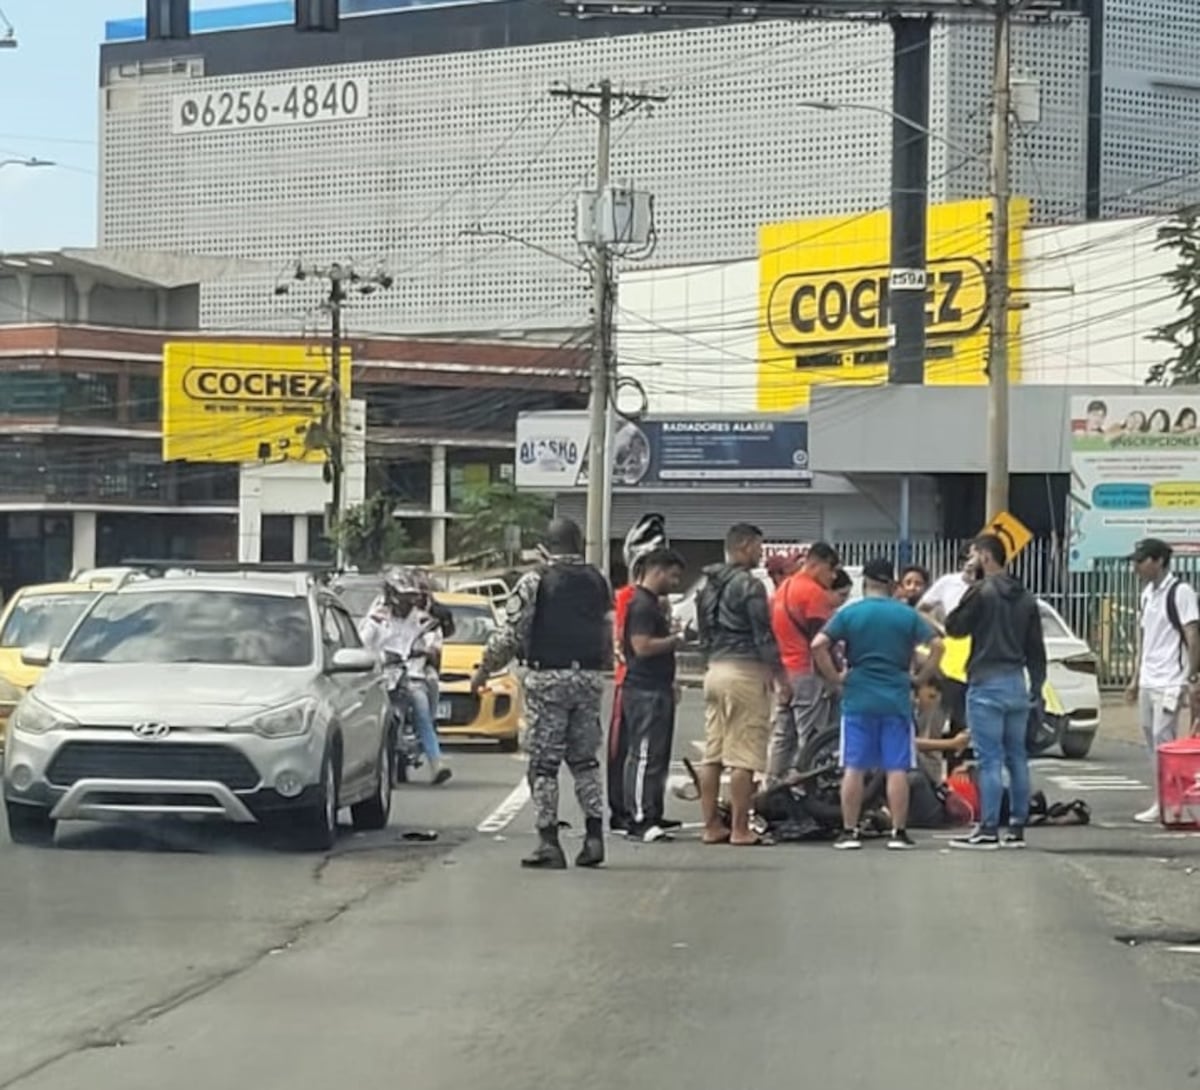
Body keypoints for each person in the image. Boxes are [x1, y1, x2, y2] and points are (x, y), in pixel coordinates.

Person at [471, 517, 612, 870]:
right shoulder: (599, 580)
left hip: (547, 678)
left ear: (545, 548)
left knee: (545, 764)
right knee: (585, 761)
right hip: (590, 678)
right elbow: (608, 630)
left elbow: (510, 634)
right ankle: (594, 835)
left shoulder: (535, 581)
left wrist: (484, 669)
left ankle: (549, 842)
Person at [812, 557, 943, 851]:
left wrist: (836, 677)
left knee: (854, 767)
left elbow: (818, 644)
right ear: (891, 584)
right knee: (897, 768)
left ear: (865, 583)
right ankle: (898, 832)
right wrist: (920, 677)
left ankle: (849, 831)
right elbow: (938, 644)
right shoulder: (906, 614)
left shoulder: (850, 613)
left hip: (858, 696)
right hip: (896, 696)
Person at [944, 534, 1046, 850]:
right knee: (1017, 757)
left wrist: (968, 582)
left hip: (986, 682)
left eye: (974, 554)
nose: (970, 559)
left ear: (986, 557)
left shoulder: (981, 591)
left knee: (990, 759)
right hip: (1017, 682)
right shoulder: (1026, 597)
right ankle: (1016, 827)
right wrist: (1037, 687)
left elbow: (954, 627)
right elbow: (1036, 649)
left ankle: (988, 828)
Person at [696, 523, 786, 847]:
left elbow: (703, 632)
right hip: (745, 671)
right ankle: (739, 828)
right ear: (745, 545)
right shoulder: (749, 585)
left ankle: (710, 826)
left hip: (715, 669)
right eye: (759, 547)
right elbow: (762, 634)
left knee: (713, 752)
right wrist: (780, 676)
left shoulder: (708, 586)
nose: (761, 554)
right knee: (744, 754)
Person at [1124, 538, 1200, 823]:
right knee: (1149, 738)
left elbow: (1192, 635)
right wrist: (1134, 679)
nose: (1136, 567)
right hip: (1148, 678)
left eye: (1141, 561)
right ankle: (1164, 798)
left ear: (1158, 561)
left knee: (1163, 739)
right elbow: (1144, 638)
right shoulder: (1147, 594)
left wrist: (1191, 677)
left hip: (1170, 680)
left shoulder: (1181, 592)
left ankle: (1170, 801)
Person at [359, 568, 452, 786]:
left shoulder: (421, 620)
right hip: (381, 677)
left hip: (411, 674)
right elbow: (363, 644)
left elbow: (431, 639)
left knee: (421, 709)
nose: (408, 602)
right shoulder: (377, 617)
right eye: (403, 597)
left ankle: (436, 762)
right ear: (392, 595)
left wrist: (427, 650)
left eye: (411, 597)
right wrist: (379, 656)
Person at [609, 514, 671, 834]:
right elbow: (621, 640)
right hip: (632, 680)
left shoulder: (657, 600)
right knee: (630, 750)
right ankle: (625, 811)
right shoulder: (629, 597)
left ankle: (650, 807)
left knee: (655, 752)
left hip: (654, 680)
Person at [622, 548, 688, 843]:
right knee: (644, 753)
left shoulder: (652, 605)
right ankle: (638, 817)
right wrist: (677, 640)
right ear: (657, 570)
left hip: (657, 686)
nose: (675, 583)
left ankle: (652, 810)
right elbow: (642, 646)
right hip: (644, 688)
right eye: (673, 576)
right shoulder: (642, 606)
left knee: (657, 755)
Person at [766, 541, 840, 788]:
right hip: (807, 673)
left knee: (782, 735)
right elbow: (820, 641)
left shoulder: (784, 588)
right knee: (811, 738)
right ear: (817, 564)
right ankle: (806, 790)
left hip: (786, 673)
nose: (832, 577)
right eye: (831, 570)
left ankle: (773, 786)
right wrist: (834, 677)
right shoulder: (812, 593)